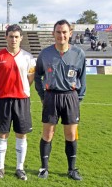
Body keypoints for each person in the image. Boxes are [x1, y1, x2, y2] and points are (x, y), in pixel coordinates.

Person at [35, 19, 86, 181]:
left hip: (70, 97)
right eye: (58, 32)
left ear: (70, 34)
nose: (61, 35)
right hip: (51, 96)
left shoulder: (79, 54)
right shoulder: (45, 53)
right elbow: (38, 76)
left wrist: (78, 99)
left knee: (71, 134)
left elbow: (82, 79)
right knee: (48, 134)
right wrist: (43, 96)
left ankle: (72, 169)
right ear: (53, 34)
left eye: (64, 32)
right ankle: (44, 168)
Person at [0, 24, 35, 180]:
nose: (13, 39)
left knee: (21, 134)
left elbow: (30, 78)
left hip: (22, 100)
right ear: (5, 37)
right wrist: (0, 93)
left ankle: (20, 168)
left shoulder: (28, 57)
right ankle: (0, 168)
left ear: (21, 38)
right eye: (11, 36)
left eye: (16, 36)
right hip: (3, 100)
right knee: (2, 134)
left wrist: (21, 91)